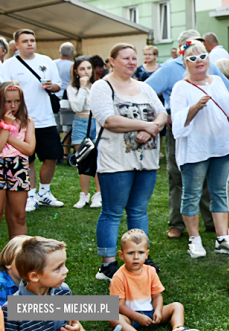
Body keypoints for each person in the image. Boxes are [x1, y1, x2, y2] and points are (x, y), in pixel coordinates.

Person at [146, 29, 229, 240]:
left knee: (213, 184)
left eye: (201, 51)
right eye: (191, 52)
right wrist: (164, 113)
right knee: (181, 180)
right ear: (182, 53)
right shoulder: (169, 68)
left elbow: (228, 91)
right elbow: (147, 90)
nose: (198, 58)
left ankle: (213, 224)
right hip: (184, 134)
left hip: (215, 139)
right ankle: (177, 224)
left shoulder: (211, 69)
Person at [91, 43, 167, 282]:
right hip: (116, 161)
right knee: (112, 211)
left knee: (138, 209)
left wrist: (154, 127)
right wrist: (146, 125)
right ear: (112, 61)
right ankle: (108, 264)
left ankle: (139, 257)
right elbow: (108, 120)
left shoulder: (144, 87)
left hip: (146, 161)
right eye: (126, 58)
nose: (132, 62)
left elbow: (162, 112)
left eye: (134, 58)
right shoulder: (101, 86)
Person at [170, 41, 229, 259]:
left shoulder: (219, 81)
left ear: (207, 59)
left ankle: (222, 238)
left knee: (221, 192)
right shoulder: (181, 87)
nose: (198, 61)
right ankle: (194, 239)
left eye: (201, 56)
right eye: (192, 58)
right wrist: (194, 108)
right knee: (191, 194)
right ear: (185, 63)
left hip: (220, 146)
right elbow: (177, 121)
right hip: (195, 149)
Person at [2, 29, 64, 212]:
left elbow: (58, 85)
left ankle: (45, 192)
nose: (30, 43)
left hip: (45, 118)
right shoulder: (9, 65)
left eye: (32, 40)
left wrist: (51, 86)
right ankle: (30, 194)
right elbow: (4, 90)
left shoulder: (46, 61)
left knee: (51, 156)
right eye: (26, 41)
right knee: (27, 159)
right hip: (21, 120)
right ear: (17, 45)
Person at [109, 229, 199, 331]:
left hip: (151, 314)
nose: (136, 257)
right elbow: (119, 306)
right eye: (130, 253)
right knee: (114, 318)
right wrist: (138, 317)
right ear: (122, 255)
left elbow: (157, 295)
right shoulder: (118, 277)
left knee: (177, 306)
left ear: (147, 254)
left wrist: (158, 311)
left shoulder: (151, 271)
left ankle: (178, 328)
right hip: (130, 317)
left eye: (141, 252)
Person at [1, 237, 85, 331]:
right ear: (34, 276)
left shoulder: (63, 291)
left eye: (64, 264)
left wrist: (77, 328)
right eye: (58, 267)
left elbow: (74, 323)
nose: (66, 270)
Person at [0, 82, 35, 237]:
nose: (13, 106)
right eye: (8, 101)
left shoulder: (27, 121)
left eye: (17, 101)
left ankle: (16, 257)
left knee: (19, 215)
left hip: (18, 166)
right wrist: (7, 127)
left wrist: (8, 136)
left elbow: (29, 149)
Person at [67, 56, 102, 209]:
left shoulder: (98, 85)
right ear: (76, 71)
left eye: (88, 68)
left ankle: (99, 195)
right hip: (81, 123)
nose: (86, 71)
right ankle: (84, 195)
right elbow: (76, 107)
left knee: (98, 161)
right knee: (82, 160)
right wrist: (82, 88)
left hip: (97, 123)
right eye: (82, 69)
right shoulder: (72, 88)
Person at [0, 235, 33, 306]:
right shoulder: (1, 284)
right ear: (8, 262)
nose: (31, 265)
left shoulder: (34, 281)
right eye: (25, 260)